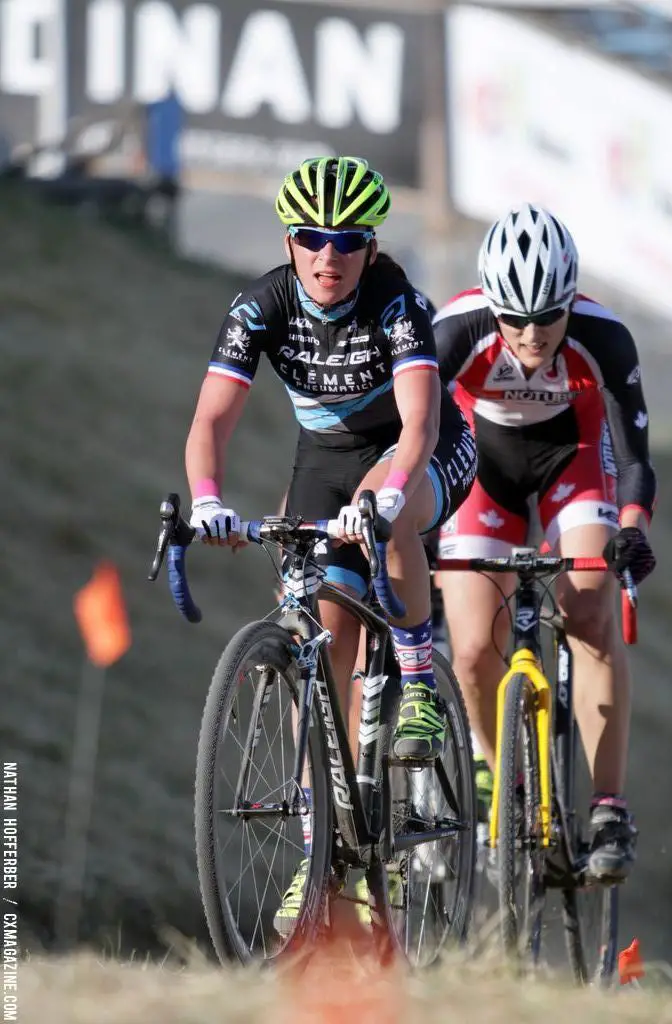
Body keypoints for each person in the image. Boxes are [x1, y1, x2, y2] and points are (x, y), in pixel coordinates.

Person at [183, 155, 477, 926]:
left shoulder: (394, 298)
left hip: (422, 446)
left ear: (371, 248)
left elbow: (418, 425)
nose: (329, 255)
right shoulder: (260, 306)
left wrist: (382, 497)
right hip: (323, 459)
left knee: (396, 511)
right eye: (312, 236)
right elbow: (211, 419)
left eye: (348, 240)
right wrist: (209, 502)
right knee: (318, 631)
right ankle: (320, 851)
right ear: (289, 241)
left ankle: (417, 686)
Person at [435, 202, 656, 882]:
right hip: (481, 462)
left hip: (574, 455)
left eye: (547, 317)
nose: (531, 334)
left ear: (571, 300)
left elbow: (635, 456)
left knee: (588, 614)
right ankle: (494, 772)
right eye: (514, 318)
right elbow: (412, 438)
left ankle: (607, 807)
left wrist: (629, 534)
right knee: (471, 648)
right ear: (489, 304)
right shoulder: (453, 328)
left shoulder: (604, 336)